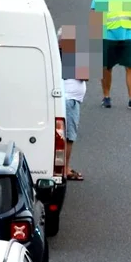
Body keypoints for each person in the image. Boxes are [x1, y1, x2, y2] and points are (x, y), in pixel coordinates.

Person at [59, 27, 87, 181]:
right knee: (69, 137)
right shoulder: (70, 56)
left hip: (67, 99)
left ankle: (63, 167)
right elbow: (86, 75)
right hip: (70, 101)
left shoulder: (58, 55)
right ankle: (65, 169)